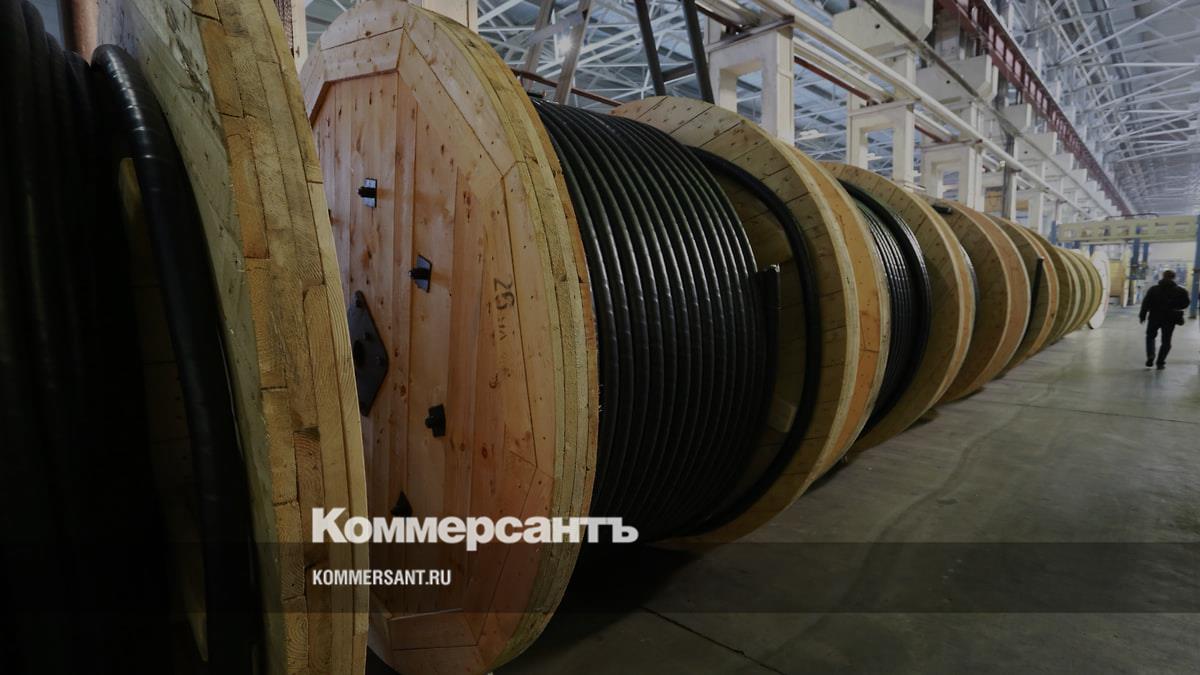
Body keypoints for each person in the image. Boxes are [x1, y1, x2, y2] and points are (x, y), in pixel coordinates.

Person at [1139, 269, 1190, 369]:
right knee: (1166, 341)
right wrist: (1175, 305)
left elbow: (1146, 303)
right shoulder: (1181, 291)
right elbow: (1186, 303)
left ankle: (1151, 355)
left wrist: (1142, 315)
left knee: (1150, 337)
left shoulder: (1153, 289)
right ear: (1174, 277)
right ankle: (1160, 362)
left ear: (1163, 276)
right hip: (1170, 318)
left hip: (1154, 317)